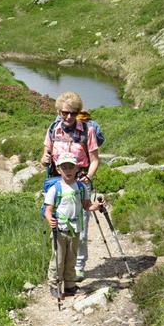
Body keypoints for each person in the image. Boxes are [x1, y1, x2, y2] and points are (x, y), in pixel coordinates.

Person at [41, 91, 100, 281]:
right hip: (58, 184)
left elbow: (95, 160)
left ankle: (78, 267)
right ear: (58, 111)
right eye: (64, 112)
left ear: (78, 112)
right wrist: (44, 159)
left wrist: (88, 177)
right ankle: (59, 269)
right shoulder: (53, 129)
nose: (68, 117)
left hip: (80, 183)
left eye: (73, 113)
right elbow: (45, 155)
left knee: (79, 228)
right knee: (59, 228)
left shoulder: (87, 130)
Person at [44, 152, 103, 299]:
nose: (68, 170)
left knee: (72, 258)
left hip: (75, 229)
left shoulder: (81, 188)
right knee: (58, 259)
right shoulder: (55, 189)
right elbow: (48, 210)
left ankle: (70, 285)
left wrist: (96, 206)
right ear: (58, 170)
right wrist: (50, 219)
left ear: (77, 168)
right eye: (64, 167)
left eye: (71, 167)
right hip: (59, 230)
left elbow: (87, 206)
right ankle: (54, 285)